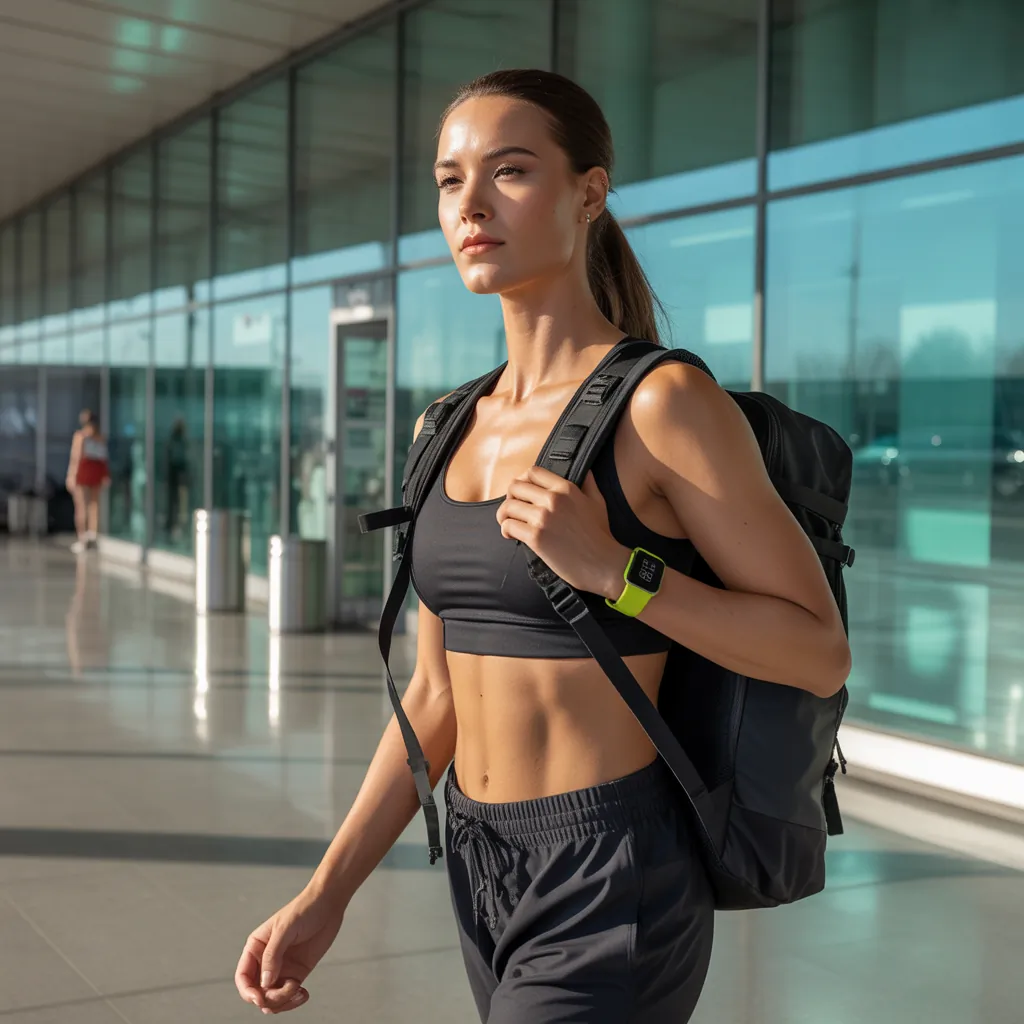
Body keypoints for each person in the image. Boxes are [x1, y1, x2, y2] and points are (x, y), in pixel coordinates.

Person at [234, 69, 851, 1021]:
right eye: (449, 180)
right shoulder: (444, 425)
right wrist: (329, 892)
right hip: (480, 859)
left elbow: (816, 650)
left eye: (510, 171)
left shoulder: (662, 405)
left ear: (588, 193)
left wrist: (620, 573)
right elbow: (435, 697)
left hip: (613, 871)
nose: (470, 205)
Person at [66, 409, 109, 554]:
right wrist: (105, 475)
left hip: (83, 475)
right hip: (95, 475)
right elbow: (103, 459)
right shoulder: (99, 438)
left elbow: (76, 458)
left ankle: (83, 538)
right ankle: (92, 535)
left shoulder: (80, 437)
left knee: (81, 506)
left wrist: (71, 475)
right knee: (94, 505)